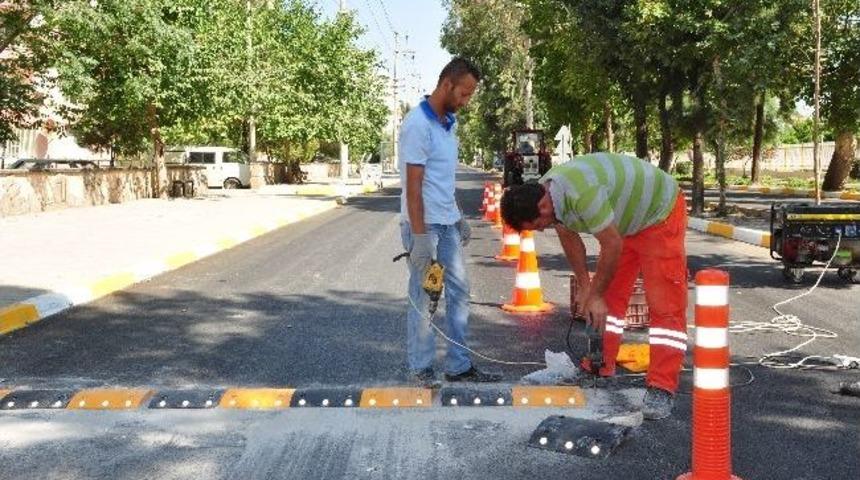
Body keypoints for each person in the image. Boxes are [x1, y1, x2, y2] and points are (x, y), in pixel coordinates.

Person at [500, 153, 688, 420]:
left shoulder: (581, 192)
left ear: (542, 206)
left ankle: (661, 387)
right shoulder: (547, 191)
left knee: (665, 304)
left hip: (659, 214)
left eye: (538, 226)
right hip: (624, 225)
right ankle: (599, 366)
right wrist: (588, 289)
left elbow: (611, 244)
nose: (541, 230)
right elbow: (569, 237)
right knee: (607, 298)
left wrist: (595, 294)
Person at [399, 57, 502, 388]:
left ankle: (458, 365)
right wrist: (419, 238)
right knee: (429, 294)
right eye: (465, 93)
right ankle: (421, 368)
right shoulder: (417, 125)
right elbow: (414, 189)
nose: (466, 101)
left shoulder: (449, 124)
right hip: (425, 227)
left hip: (447, 225)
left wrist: (459, 218)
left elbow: (441, 181)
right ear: (447, 85)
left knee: (459, 292)